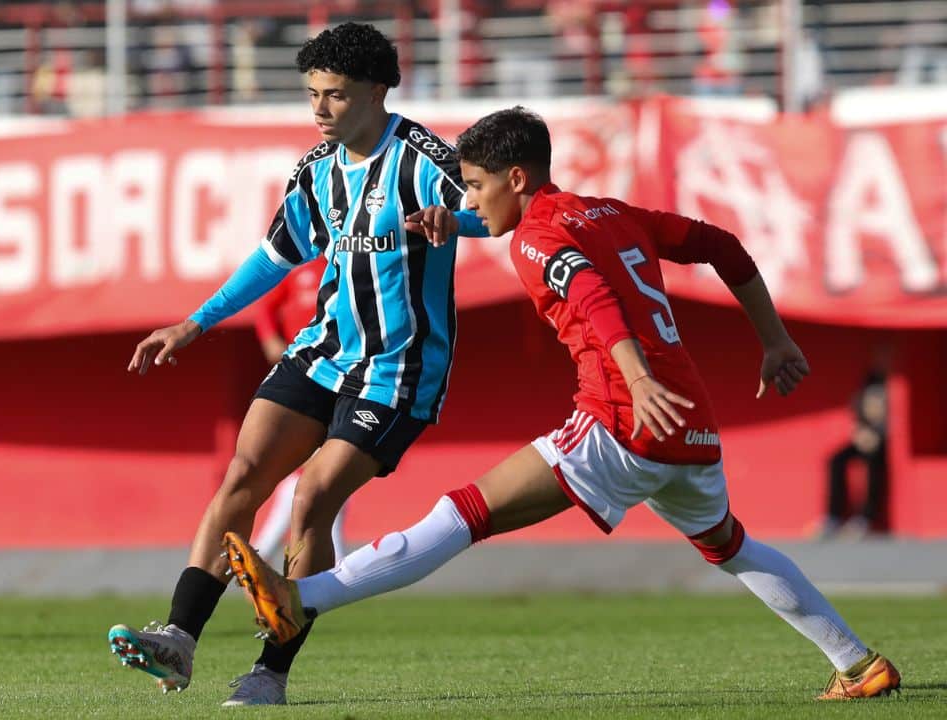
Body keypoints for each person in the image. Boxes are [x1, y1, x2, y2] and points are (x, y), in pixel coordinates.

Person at [222, 106, 901, 702]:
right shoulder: (607, 212)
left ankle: (298, 598)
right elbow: (719, 245)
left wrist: (632, 379)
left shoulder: (535, 237)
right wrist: (774, 340)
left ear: (515, 178)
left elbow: (591, 298)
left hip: (623, 417)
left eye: (478, 188)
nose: (472, 201)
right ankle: (857, 663)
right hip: (688, 422)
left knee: (462, 513)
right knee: (730, 545)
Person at [108, 22, 488, 707]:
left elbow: (503, 210)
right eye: (313, 94)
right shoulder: (316, 168)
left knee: (313, 501)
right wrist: (195, 321)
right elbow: (275, 256)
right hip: (321, 350)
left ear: (377, 92)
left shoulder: (427, 157)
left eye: (335, 96)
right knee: (243, 478)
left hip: (397, 370)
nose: (319, 110)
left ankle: (270, 673)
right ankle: (179, 639)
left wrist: (457, 223)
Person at [248, 259, 348, 565]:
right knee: (318, 469)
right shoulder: (299, 267)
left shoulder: (350, 262)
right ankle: (267, 551)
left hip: (343, 373)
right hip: (303, 374)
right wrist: (270, 341)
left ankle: (265, 552)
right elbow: (264, 309)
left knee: (334, 467)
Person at [820, 369, 889, 539]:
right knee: (836, 460)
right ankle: (833, 517)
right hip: (864, 438)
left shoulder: (893, 387)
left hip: (882, 441)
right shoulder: (866, 386)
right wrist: (861, 434)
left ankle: (864, 518)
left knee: (873, 463)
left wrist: (878, 435)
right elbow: (859, 418)